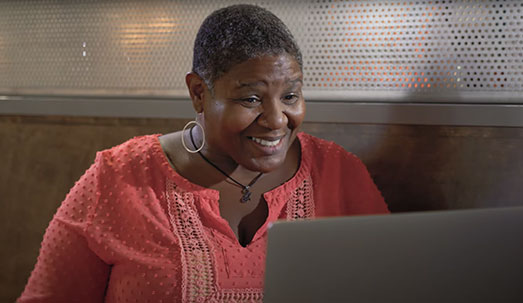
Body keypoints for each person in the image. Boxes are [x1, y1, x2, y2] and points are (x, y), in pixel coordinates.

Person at [18, 4, 389, 302]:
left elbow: (394, 285)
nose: (277, 120)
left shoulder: (338, 173)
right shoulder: (118, 178)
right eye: (251, 98)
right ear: (198, 92)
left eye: (290, 96)